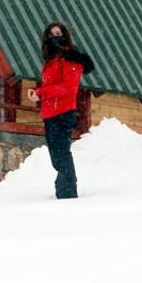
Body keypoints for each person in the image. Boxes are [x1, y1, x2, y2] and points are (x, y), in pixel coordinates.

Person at [27, 22, 95, 199]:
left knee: (61, 154)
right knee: (56, 156)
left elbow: (68, 88)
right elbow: (52, 84)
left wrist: (41, 93)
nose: (55, 38)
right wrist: (37, 92)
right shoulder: (52, 61)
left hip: (63, 112)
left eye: (58, 33)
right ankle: (66, 189)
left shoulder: (71, 58)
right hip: (50, 113)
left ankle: (67, 193)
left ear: (65, 35)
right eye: (51, 35)